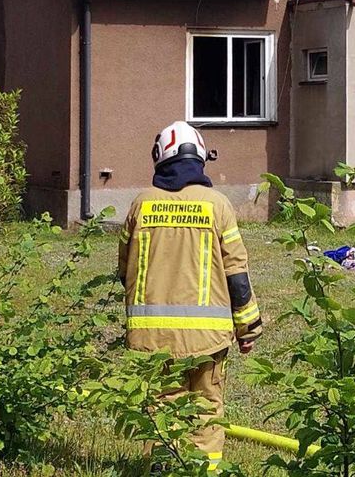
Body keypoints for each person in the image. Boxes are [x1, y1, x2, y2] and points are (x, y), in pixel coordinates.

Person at [117, 121, 263, 470]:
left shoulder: (141, 205)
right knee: (206, 413)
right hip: (207, 341)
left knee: (161, 411)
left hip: (152, 340)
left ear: (159, 157)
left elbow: (124, 270)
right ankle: (205, 471)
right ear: (200, 158)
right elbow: (237, 274)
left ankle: (164, 470)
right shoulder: (217, 205)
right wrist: (248, 328)